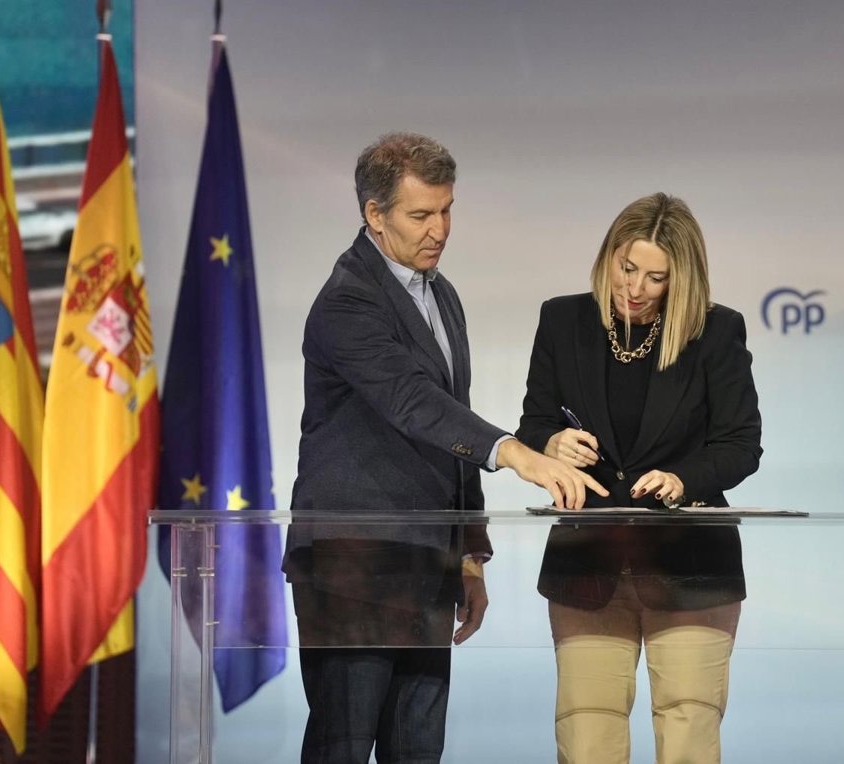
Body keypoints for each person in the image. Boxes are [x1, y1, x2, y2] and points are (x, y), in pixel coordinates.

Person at [284, 131, 607, 764]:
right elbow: (411, 402)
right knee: (340, 748)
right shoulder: (347, 300)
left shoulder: (442, 294)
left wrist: (470, 554)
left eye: (447, 209)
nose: (440, 229)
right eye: (421, 214)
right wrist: (517, 452)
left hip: (426, 565)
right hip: (353, 568)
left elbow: (450, 425)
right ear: (375, 215)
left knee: (418, 752)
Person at [515, 192, 762, 764]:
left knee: (688, 731)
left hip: (690, 567)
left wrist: (683, 479)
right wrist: (550, 443)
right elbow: (534, 424)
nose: (635, 288)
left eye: (656, 277)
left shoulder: (716, 331)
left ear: (681, 278)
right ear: (609, 255)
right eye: (627, 268)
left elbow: (741, 445)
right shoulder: (563, 320)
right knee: (587, 736)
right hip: (588, 564)